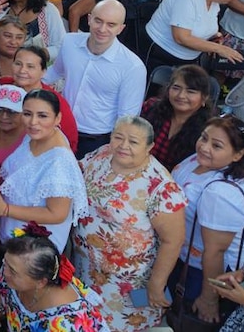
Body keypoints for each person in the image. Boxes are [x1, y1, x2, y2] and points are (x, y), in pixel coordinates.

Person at [73, 116, 187, 331]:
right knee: (85, 319)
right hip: (85, 266)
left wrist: (157, 283)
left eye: (134, 142)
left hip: (125, 282)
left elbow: (173, 240)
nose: (123, 145)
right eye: (118, 137)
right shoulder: (102, 154)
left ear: (149, 147)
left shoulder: (160, 187)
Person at [170, 116, 244, 326]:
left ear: (238, 154)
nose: (204, 147)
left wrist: (209, 298)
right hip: (188, 256)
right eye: (204, 138)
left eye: (216, 145)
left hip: (204, 270)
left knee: (188, 320)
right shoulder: (203, 160)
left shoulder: (220, 193)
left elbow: (215, 251)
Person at [0, 89, 89, 252]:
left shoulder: (59, 162)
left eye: (42, 116)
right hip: (14, 235)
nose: (33, 122)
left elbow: (56, 214)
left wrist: (6, 210)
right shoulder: (33, 136)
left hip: (34, 249)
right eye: (28, 114)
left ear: (57, 118)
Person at [47, 0, 147, 156]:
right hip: (58, 128)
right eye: (98, 21)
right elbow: (54, 72)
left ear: (121, 29)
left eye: (111, 24)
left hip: (95, 141)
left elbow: (127, 117)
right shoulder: (69, 42)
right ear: (89, 19)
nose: (102, 29)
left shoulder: (132, 67)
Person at [0, 222, 109, 330]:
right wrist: (0, 305)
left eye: (12, 271)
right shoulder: (14, 266)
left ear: (41, 282)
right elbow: (6, 291)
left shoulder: (66, 324)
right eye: (4, 263)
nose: (5, 272)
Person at [145, 0, 244, 70]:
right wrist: (218, 48)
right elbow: (181, 38)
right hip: (161, 56)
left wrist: (214, 38)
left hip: (188, 58)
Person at [141, 64, 216, 170]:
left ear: (204, 98)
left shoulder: (208, 129)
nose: (181, 95)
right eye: (176, 88)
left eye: (190, 92)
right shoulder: (151, 107)